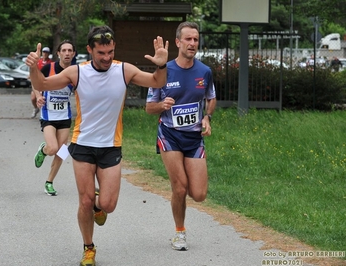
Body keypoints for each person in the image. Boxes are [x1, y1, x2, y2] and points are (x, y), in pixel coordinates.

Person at [26, 25, 168, 266]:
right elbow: (44, 84)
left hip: (111, 146)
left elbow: (156, 81)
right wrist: (33, 68)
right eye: (101, 52)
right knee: (85, 201)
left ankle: (99, 207)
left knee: (108, 205)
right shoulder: (76, 73)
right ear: (90, 50)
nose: (107, 57)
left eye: (110, 51)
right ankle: (88, 248)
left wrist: (162, 64)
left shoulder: (124, 70)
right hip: (82, 145)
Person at [145, 21, 216, 251]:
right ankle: (179, 232)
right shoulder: (164, 71)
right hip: (170, 135)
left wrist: (207, 117)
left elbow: (211, 98)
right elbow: (149, 107)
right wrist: (162, 106)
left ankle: (180, 223)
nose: (192, 43)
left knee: (199, 194)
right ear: (178, 42)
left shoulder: (204, 71)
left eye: (196, 39)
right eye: (188, 39)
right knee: (180, 188)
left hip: (194, 138)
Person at [33, 40, 76, 196]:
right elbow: (35, 81)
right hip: (48, 114)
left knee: (62, 151)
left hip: (65, 116)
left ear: (73, 53)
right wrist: (38, 96)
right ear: (58, 53)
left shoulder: (76, 72)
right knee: (52, 149)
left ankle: (49, 182)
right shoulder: (48, 68)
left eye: (69, 50)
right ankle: (44, 150)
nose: (66, 53)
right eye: (63, 50)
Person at [31, 46, 52, 118]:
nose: (45, 54)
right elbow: (34, 70)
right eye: (44, 52)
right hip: (37, 81)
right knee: (33, 98)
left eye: (47, 52)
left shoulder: (50, 62)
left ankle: (44, 113)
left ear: (49, 54)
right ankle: (36, 108)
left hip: (45, 82)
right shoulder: (38, 61)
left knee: (43, 98)